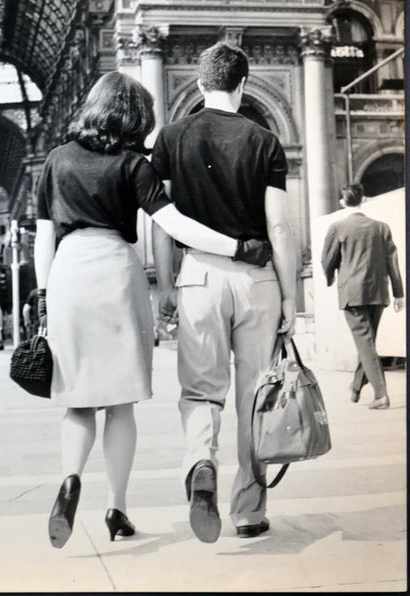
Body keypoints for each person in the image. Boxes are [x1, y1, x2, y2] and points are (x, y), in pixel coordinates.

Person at [34, 70, 268, 549]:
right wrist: (237, 247)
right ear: (137, 117)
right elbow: (175, 222)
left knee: (78, 400)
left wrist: (42, 295)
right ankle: (116, 509)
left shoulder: (56, 160)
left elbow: (43, 238)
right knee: (120, 404)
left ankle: (69, 482)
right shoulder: (134, 164)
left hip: (68, 272)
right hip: (117, 274)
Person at [152, 42, 296, 542]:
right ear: (242, 84)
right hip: (257, 281)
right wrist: (290, 296)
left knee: (200, 391)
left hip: (198, 276)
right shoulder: (265, 140)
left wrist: (166, 283)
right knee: (255, 398)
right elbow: (279, 226)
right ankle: (250, 511)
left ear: (199, 83)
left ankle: (200, 466)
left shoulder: (170, 137)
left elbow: (161, 222)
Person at [321, 183, 404, 409]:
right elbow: (392, 262)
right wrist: (399, 293)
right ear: (363, 200)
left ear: (342, 202)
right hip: (378, 292)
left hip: (352, 293)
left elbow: (327, 260)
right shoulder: (382, 227)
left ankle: (381, 395)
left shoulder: (337, 227)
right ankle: (357, 385)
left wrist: (332, 277)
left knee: (365, 343)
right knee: (367, 342)